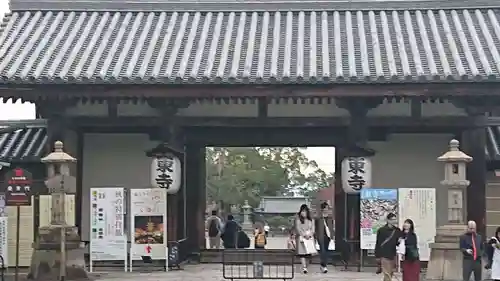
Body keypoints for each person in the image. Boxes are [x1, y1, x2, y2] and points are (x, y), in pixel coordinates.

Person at [375, 213, 402, 281]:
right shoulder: (381, 230)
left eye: (395, 219)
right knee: (387, 274)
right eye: (392, 219)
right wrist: (377, 256)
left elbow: (398, 244)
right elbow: (378, 243)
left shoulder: (397, 230)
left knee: (390, 273)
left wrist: (399, 241)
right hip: (384, 254)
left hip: (393, 254)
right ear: (388, 220)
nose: (394, 221)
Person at [294, 204, 315, 274]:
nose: (303, 213)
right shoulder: (298, 220)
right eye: (302, 211)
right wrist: (304, 235)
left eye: (305, 211)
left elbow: (313, 229)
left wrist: (310, 235)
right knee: (302, 254)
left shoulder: (311, 220)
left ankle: (306, 266)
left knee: (308, 254)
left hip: (309, 238)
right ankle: (304, 267)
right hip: (302, 238)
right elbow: (298, 228)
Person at [314, 201, 335, 273]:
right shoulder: (318, 218)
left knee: (326, 251)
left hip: (328, 236)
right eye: (326, 208)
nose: (327, 209)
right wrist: (315, 236)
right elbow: (315, 227)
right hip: (320, 236)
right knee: (323, 251)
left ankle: (323, 265)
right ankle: (324, 266)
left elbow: (332, 227)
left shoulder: (330, 218)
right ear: (322, 209)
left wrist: (332, 235)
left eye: (327, 208)